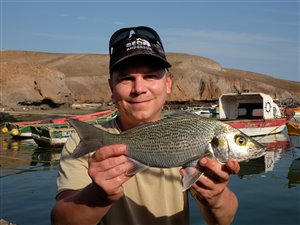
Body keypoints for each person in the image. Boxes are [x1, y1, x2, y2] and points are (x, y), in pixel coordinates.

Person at [51, 26, 240, 225]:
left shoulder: (191, 134)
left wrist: (216, 196)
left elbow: (223, 219)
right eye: (126, 79)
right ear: (111, 88)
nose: (139, 89)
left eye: (150, 76)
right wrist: (98, 195)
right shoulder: (85, 142)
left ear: (168, 84)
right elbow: (61, 220)